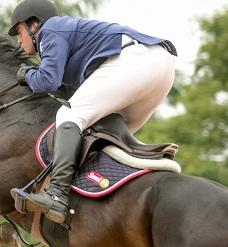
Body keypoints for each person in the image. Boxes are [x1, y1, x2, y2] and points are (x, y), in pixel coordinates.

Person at [9, 0, 177, 223]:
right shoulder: (66, 37)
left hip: (136, 61)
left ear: (34, 25)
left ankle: (57, 194)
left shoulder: (50, 30)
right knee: (107, 135)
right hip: (161, 69)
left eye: (19, 32)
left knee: (69, 115)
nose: (18, 41)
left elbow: (47, 81)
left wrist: (26, 74)